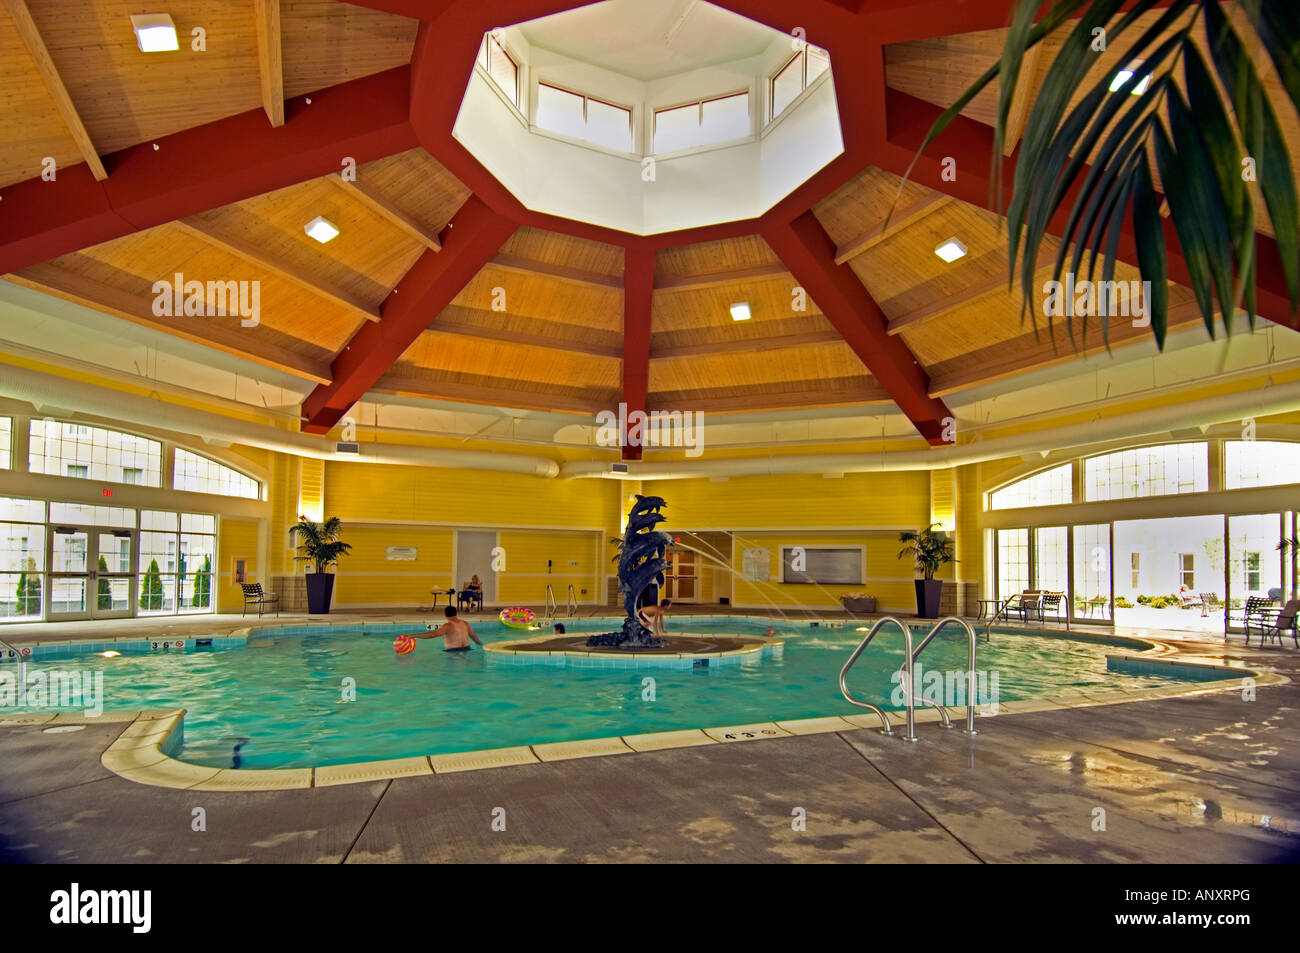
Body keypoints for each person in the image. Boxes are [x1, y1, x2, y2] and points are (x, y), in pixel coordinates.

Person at [415, 605, 483, 652]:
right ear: (456, 613)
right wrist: (480, 644)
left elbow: (432, 634)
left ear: (445, 615)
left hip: (453, 651)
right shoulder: (465, 623)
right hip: (467, 649)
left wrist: (414, 635)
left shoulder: (447, 626)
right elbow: (474, 636)